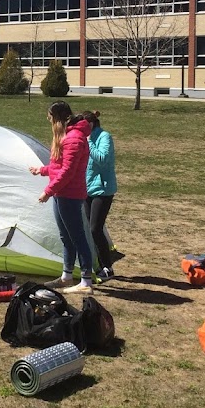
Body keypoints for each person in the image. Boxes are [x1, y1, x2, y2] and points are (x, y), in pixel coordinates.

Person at [29, 101, 94, 295]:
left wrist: (47, 191)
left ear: (57, 117)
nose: (48, 120)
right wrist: (41, 170)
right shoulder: (66, 137)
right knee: (66, 237)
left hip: (69, 194)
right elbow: (59, 166)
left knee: (78, 237)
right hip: (61, 193)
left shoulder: (73, 139)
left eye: (50, 117)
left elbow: (68, 172)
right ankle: (67, 276)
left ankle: (85, 281)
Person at [81, 110, 118, 284]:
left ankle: (108, 267)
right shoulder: (83, 138)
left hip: (103, 190)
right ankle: (100, 265)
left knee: (96, 228)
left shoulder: (104, 137)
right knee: (90, 228)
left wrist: (88, 142)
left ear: (91, 124)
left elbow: (102, 159)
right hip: (87, 189)